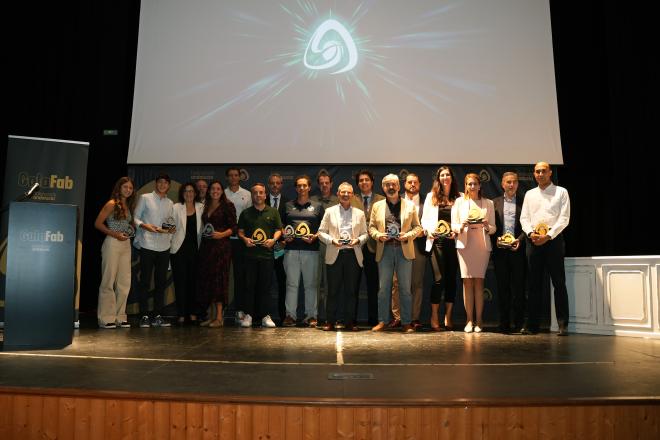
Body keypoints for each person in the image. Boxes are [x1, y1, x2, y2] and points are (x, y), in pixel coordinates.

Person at [520, 161, 571, 336]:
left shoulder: (561, 192)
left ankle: (563, 324)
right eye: (537, 171)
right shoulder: (529, 194)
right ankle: (532, 325)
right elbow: (524, 218)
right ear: (534, 174)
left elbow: (564, 219)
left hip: (553, 241)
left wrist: (548, 236)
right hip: (533, 241)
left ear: (550, 173)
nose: (540, 174)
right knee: (534, 284)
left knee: (559, 283)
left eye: (543, 171)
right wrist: (531, 233)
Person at [369, 174, 423, 333]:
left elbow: (418, 227)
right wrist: (379, 236)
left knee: (405, 288)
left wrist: (408, 236)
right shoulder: (377, 206)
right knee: (383, 288)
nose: (390, 187)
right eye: (387, 185)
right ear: (383, 187)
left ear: (399, 186)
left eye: (393, 184)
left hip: (404, 250)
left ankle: (406, 322)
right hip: (384, 250)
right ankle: (382, 321)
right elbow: (371, 227)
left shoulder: (410, 205)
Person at [317, 182, 368, 331]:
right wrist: (332, 241)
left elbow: (365, 234)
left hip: (353, 254)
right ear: (338, 194)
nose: (346, 195)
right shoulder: (329, 211)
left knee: (351, 291)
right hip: (335, 253)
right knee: (332, 290)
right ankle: (330, 321)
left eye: (349, 192)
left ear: (352, 195)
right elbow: (321, 232)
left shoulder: (360, 213)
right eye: (343, 192)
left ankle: (350, 321)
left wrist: (358, 240)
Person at [451, 173, 496, 333]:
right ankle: (469, 320)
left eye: (474, 184)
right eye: (469, 184)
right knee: (467, 283)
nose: (472, 187)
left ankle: (479, 320)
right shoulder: (458, 202)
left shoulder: (488, 203)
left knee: (479, 283)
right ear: (466, 186)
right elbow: (453, 226)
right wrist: (460, 226)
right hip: (464, 246)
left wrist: (486, 226)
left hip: (481, 247)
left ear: (479, 186)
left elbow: (493, 228)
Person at [133, 172, 175, 328]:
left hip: (164, 247)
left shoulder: (170, 203)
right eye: (160, 182)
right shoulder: (145, 198)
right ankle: (144, 315)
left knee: (161, 283)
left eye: (166, 183)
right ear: (156, 183)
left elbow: (169, 224)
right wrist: (144, 225)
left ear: (169, 186)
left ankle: (158, 315)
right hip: (147, 244)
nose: (163, 185)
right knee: (144, 282)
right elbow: (135, 218)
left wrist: (170, 230)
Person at [238, 183, 283, 328]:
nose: (258, 195)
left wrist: (273, 240)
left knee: (265, 287)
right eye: (255, 193)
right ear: (252, 196)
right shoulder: (246, 213)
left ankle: (265, 316)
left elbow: (279, 230)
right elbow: (240, 231)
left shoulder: (273, 212)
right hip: (250, 256)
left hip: (267, 256)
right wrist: (245, 239)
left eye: (261, 192)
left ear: (265, 195)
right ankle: (248, 315)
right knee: (249, 287)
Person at [282, 175, 325, 327]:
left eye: (304, 186)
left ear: (309, 187)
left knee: (311, 285)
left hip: (311, 250)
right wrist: (285, 235)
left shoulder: (318, 206)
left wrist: (315, 237)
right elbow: (281, 226)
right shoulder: (287, 205)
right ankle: (290, 315)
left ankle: (311, 315)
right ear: (296, 188)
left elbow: (324, 229)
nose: (301, 188)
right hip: (291, 250)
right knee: (291, 284)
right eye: (299, 186)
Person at [421, 166, 460, 331]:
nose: (445, 177)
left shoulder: (460, 197)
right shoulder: (431, 196)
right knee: (438, 279)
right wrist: (430, 231)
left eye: (448, 175)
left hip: (453, 243)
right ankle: (434, 315)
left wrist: (456, 230)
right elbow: (424, 220)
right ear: (438, 178)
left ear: (451, 178)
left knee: (451, 279)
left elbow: (462, 219)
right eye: (442, 175)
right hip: (436, 242)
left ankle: (448, 316)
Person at [94, 177, 136, 329]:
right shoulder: (111, 203)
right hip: (112, 243)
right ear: (119, 188)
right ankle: (106, 317)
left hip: (126, 244)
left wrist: (130, 231)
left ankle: (120, 316)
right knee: (108, 280)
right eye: (125, 187)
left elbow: (126, 224)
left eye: (130, 188)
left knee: (124, 282)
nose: (128, 190)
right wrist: (114, 234)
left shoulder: (127, 204)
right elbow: (97, 224)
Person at [390, 173, 427, 329]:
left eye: (415, 182)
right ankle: (398, 317)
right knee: (396, 282)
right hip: (398, 245)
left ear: (419, 184)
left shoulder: (428, 202)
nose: (412, 184)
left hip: (418, 246)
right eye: (409, 182)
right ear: (404, 184)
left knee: (416, 283)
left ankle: (414, 318)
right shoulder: (396, 200)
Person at [197, 180, 236, 327]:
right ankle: (212, 316)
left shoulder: (228, 205)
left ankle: (220, 318)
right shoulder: (205, 205)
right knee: (209, 282)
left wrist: (221, 235)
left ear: (222, 191)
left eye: (218, 189)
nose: (215, 191)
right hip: (207, 248)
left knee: (219, 282)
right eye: (212, 188)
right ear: (209, 191)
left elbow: (234, 227)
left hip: (221, 248)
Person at [491, 172, 527, 333]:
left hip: (518, 251)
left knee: (519, 289)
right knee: (502, 289)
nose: (511, 185)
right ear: (502, 184)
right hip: (500, 252)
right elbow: (491, 228)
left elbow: (529, 225)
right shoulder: (494, 203)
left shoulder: (525, 203)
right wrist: (496, 241)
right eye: (508, 182)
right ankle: (504, 323)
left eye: (514, 182)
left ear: (518, 184)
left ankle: (519, 323)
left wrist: (519, 239)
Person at [350, 169, 385, 326]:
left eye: (366, 180)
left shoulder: (382, 200)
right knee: (353, 285)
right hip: (355, 247)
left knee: (374, 285)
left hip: (374, 248)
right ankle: (351, 319)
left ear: (372, 182)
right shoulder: (351, 199)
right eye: (361, 180)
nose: (364, 182)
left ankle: (374, 319)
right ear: (357, 184)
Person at [170, 182, 204, 325]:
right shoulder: (176, 207)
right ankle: (182, 314)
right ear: (182, 194)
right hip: (178, 251)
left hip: (196, 251)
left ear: (195, 193)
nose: (189, 194)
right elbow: (169, 227)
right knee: (180, 283)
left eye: (191, 191)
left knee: (194, 284)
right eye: (186, 191)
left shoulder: (201, 207)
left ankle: (193, 313)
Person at [310, 170, 339, 326]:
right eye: (321, 183)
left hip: (334, 246)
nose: (324, 185)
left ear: (331, 184)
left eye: (327, 183)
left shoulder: (338, 201)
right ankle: (315, 315)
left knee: (330, 283)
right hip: (315, 247)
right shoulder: (312, 200)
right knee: (315, 282)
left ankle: (329, 316)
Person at [224, 167, 252, 322]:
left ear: (240, 177)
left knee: (240, 277)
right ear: (227, 178)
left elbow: (249, 218)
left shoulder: (247, 194)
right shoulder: (222, 193)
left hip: (241, 241)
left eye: (236, 175)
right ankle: (219, 311)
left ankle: (239, 310)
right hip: (224, 240)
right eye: (231, 175)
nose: (233, 178)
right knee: (223, 276)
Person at [266, 172, 288, 324]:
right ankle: (262, 315)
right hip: (264, 249)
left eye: (278, 183)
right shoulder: (261, 200)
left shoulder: (288, 203)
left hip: (282, 250)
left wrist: (285, 242)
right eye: (272, 183)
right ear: (269, 185)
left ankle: (282, 316)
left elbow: (290, 226)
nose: (275, 185)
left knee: (283, 284)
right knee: (264, 284)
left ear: (281, 185)